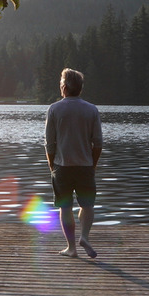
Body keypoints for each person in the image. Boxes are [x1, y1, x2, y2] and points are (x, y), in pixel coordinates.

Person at [44, 68, 103, 258]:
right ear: (80, 88)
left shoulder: (54, 109)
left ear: (64, 86)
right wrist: (92, 164)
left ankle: (71, 248)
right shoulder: (91, 110)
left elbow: (50, 144)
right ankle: (84, 236)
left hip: (62, 166)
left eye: (61, 83)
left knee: (65, 207)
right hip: (85, 166)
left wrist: (52, 166)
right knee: (87, 205)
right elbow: (98, 143)